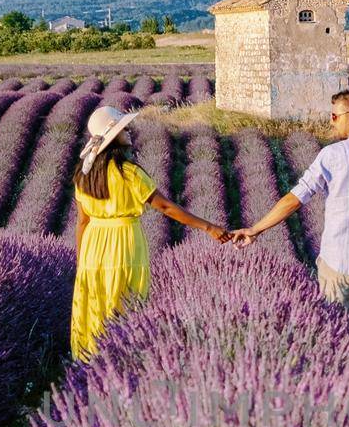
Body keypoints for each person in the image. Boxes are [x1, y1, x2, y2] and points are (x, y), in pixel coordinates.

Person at [231, 89, 349, 348]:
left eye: (334, 116)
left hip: (337, 259)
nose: (331, 121)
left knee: (335, 339)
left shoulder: (332, 155)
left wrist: (256, 229)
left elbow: (295, 199)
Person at [71, 104, 232, 361]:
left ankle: (90, 365)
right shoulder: (130, 174)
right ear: (114, 139)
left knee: (94, 307)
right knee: (124, 303)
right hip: (123, 246)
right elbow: (166, 207)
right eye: (124, 129)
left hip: (92, 248)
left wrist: (81, 262)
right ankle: (121, 362)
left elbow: (82, 222)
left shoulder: (83, 175)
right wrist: (209, 227)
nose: (129, 132)